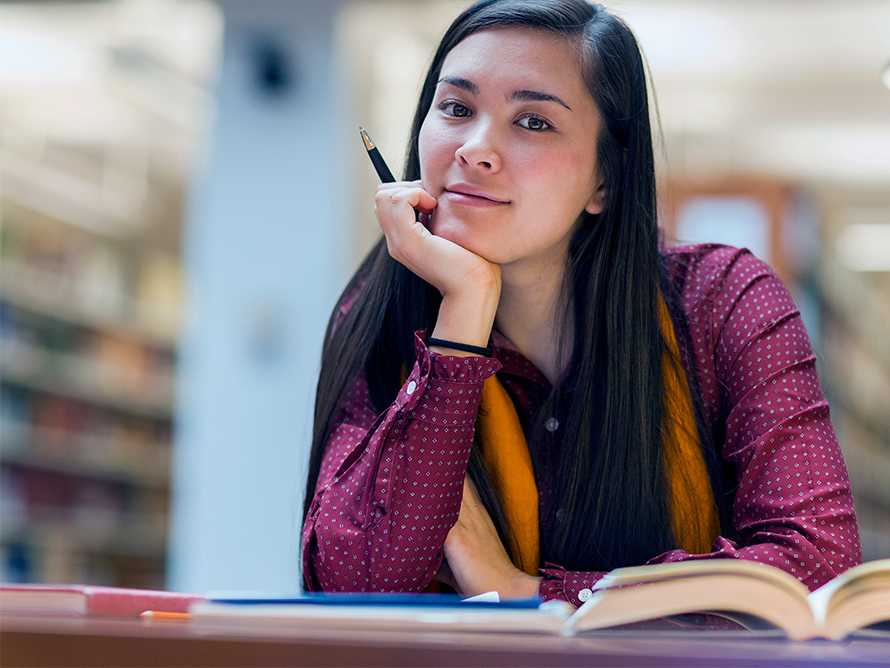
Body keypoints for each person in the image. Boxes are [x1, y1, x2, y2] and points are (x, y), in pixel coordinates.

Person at [300, 0, 861, 605]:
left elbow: (816, 568)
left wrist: (533, 596)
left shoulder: (723, 299)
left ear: (605, 181)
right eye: (457, 109)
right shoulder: (379, 311)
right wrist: (462, 314)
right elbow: (353, 586)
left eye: (533, 121)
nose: (474, 149)